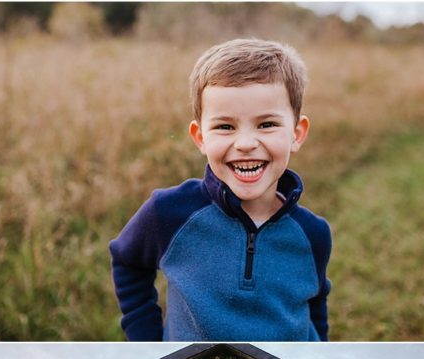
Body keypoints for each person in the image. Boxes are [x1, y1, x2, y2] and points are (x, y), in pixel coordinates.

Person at [109, 38, 332, 342]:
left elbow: (315, 302)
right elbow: (128, 261)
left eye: (266, 124)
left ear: (297, 134)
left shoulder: (312, 233)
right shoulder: (170, 213)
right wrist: (147, 346)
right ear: (200, 137)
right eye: (225, 127)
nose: (245, 143)